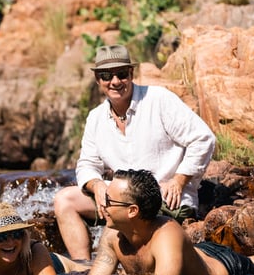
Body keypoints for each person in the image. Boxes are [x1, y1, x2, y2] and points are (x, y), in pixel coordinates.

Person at [53, 44, 216, 260]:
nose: (115, 81)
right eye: (106, 76)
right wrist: (97, 185)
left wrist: (179, 181)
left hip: (164, 200)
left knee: (118, 222)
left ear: (131, 74)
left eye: (121, 74)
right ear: (97, 80)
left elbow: (204, 138)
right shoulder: (95, 117)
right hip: (121, 201)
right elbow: (87, 164)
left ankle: (107, 271)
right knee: (65, 200)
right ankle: (83, 268)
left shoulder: (158, 99)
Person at [89, 169, 254, 275]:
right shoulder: (112, 235)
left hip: (227, 267)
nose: (102, 204)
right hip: (200, 253)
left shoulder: (166, 232)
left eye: (108, 200)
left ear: (132, 211)